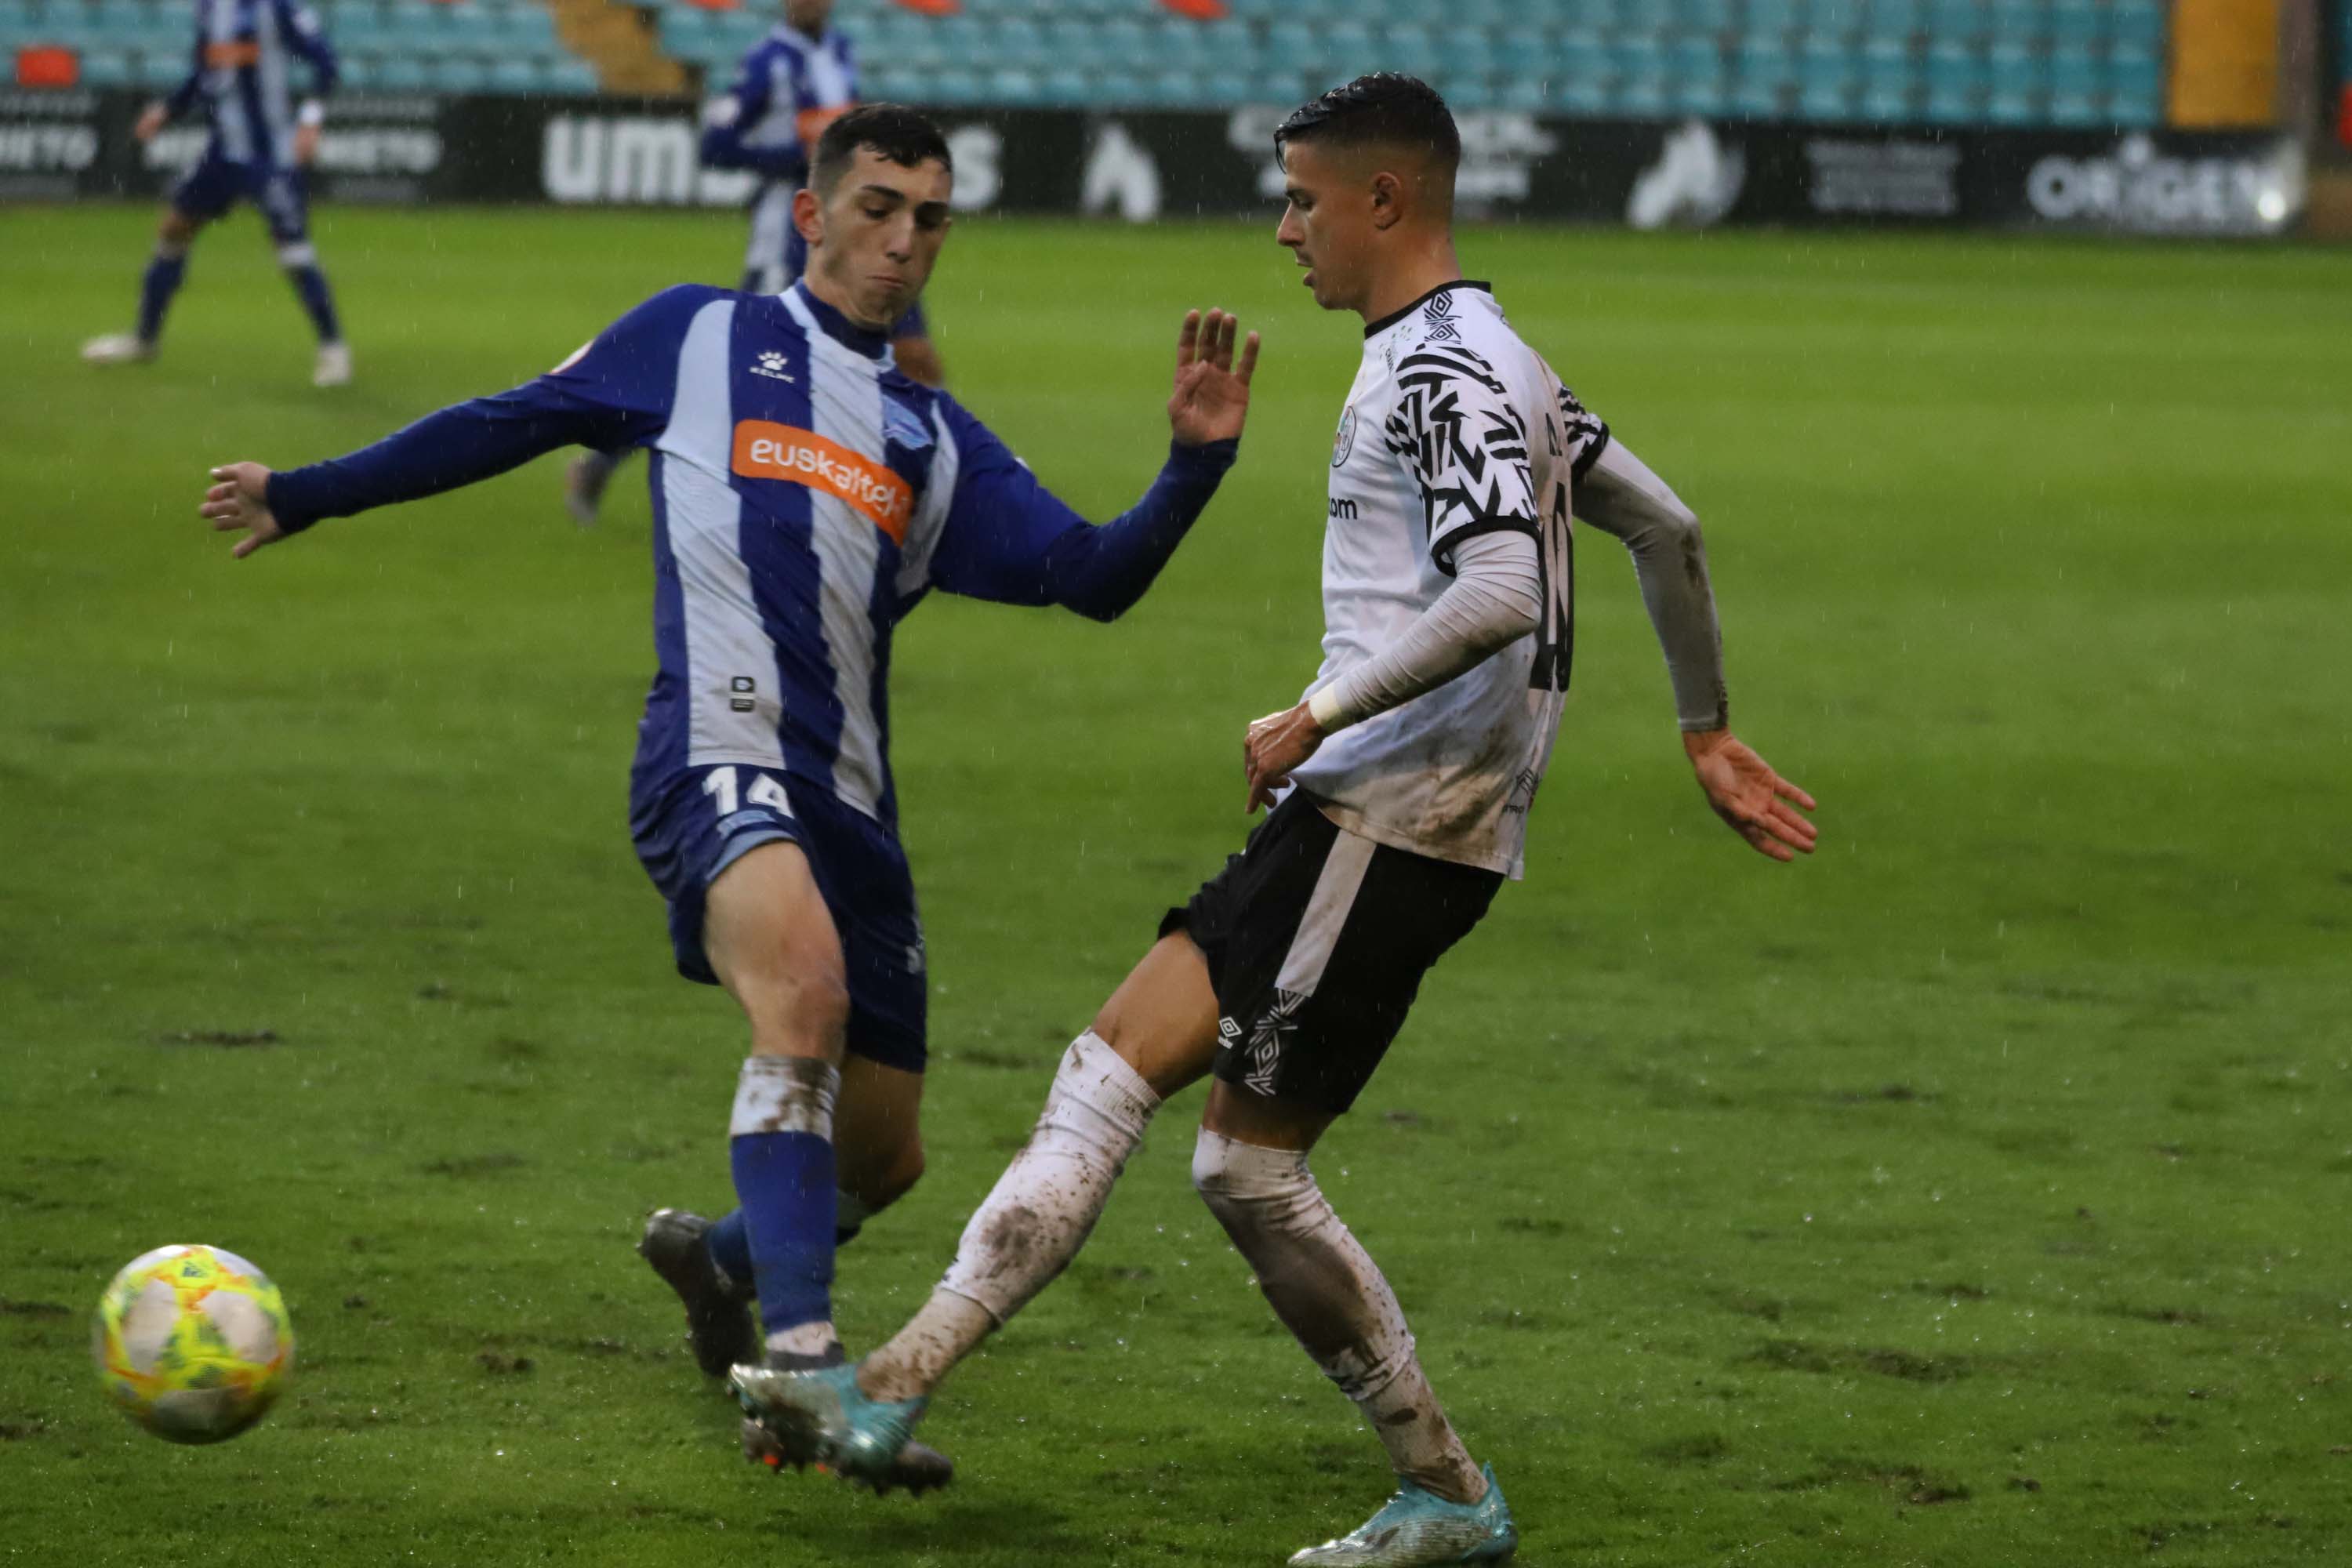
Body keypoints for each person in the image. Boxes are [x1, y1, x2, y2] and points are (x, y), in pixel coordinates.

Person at [731, 75, 1817, 1566]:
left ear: (1387, 202)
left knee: (1246, 1170)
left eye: (1304, 197)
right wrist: (1703, 726)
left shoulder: (1433, 371)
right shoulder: (1503, 360)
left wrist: (1324, 710)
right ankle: (889, 1388)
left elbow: (1501, 591)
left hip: (1394, 817)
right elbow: (1666, 528)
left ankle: (1445, 1489)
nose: (1283, 226)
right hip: (1361, 812)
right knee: (1104, 1074)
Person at [194, 105, 1259, 1492]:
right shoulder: (696, 338)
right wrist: (309, 491)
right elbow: (511, 421)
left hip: (854, 809)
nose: (902, 240)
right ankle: (804, 1373)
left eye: (929, 218)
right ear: (811, 215)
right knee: (799, 997)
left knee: (885, 1159)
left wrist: (1191, 469)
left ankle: (720, 1260)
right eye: (877, 207)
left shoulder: (933, 438)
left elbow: (1091, 578)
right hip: (713, 749)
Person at [564, 0, 944, 524]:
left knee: (908, 355)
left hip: (852, 226)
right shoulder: (767, 61)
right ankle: (606, 458)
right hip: (787, 235)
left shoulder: (839, 50)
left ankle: (921, 496)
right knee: (737, 369)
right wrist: (796, 157)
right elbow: (716, 145)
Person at [81, 0, 350, 387]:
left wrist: (310, 122)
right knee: (174, 229)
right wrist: (167, 111)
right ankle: (144, 339)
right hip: (222, 152)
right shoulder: (209, 8)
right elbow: (206, 72)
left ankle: (333, 349)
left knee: (293, 253)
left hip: (271, 154)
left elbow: (325, 61)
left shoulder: (275, 7)